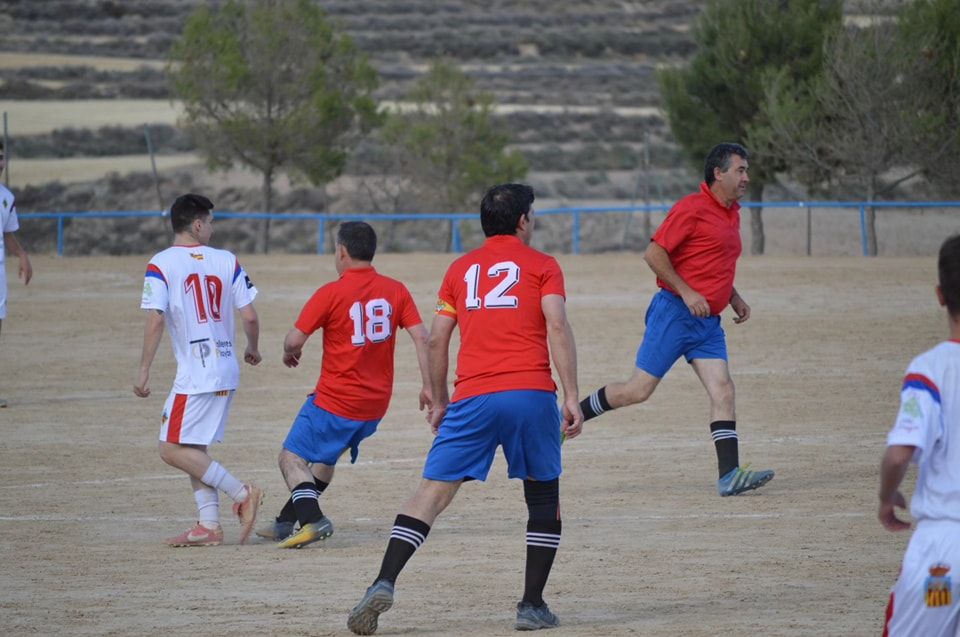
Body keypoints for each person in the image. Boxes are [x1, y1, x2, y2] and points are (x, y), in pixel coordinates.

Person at [347, 183, 582, 635]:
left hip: (472, 396)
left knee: (430, 495)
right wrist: (570, 395)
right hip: (530, 394)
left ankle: (384, 580)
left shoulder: (459, 269)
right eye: (531, 214)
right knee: (543, 496)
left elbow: (438, 339)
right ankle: (532, 605)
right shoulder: (544, 266)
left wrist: (437, 398)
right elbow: (556, 322)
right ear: (522, 222)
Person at [578, 142, 774, 497]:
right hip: (674, 313)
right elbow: (653, 254)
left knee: (723, 389)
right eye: (740, 170)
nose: (747, 177)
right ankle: (567, 419)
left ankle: (729, 475)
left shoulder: (733, 212)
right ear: (718, 173)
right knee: (637, 391)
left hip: (706, 323)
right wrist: (687, 292)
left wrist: (733, 296)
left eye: (747, 170)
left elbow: (712, 261)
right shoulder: (692, 208)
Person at [261, 221, 431, 550]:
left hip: (336, 401)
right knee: (325, 459)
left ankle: (312, 520)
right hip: (374, 406)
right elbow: (422, 337)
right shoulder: (396, 289)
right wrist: (428, 387)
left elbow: (295, 339)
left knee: (291, 457)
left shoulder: (331, 292)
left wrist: (288, 351)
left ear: (342, 252)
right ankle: (285, 522)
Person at [134, 193, 263, 547]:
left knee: (169, 448)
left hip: (196, 375)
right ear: (197, 224)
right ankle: (208, 525)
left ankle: (242, 492)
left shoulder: (160, 263)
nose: (213, 227)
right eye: (211, 221)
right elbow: (249, 315)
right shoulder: (227, 260)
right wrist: (252, 348)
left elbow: (156, 318)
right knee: (192, 447)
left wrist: (144, 369)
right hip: (226, 368)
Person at [879, 234, 960, 636]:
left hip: (943, 557)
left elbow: (899, 455)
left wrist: (886, 498)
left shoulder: (931, 369)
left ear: (940, 295)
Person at [0, 141, 33, 408]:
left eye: (1, 157)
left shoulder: (6, 197)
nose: (0, 162)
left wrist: (22, 255)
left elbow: (7, 233)